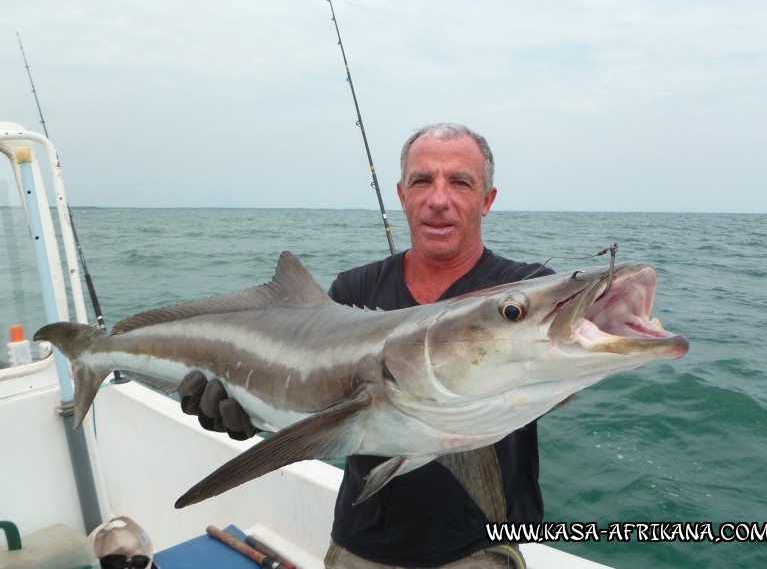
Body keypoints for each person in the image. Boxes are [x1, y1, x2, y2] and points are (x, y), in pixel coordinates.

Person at [179, 123, 554, 568]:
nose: (438, 199)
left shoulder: (524, 290)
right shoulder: (353, 289)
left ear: (487, 200)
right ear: (401, 194)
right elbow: (315, 401)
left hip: (479, 549)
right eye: (421, 181)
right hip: (360, 544)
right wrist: (253, 415)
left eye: (460, 182)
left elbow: (555, 374)